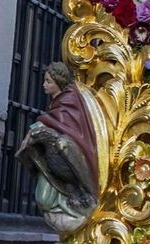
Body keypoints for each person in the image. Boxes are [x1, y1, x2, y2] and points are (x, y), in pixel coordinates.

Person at [15, 63, 98, 234]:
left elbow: (64, 128)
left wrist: (36, 129)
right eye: (45, 81)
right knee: (43, 199)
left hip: (65, 162)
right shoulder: (58, 104)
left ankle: (76, 207)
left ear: (59, 83)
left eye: (48, 81)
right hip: (53, 164)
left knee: (46, 198)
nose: (44, 85)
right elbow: (52, 122)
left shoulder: (68, 104)